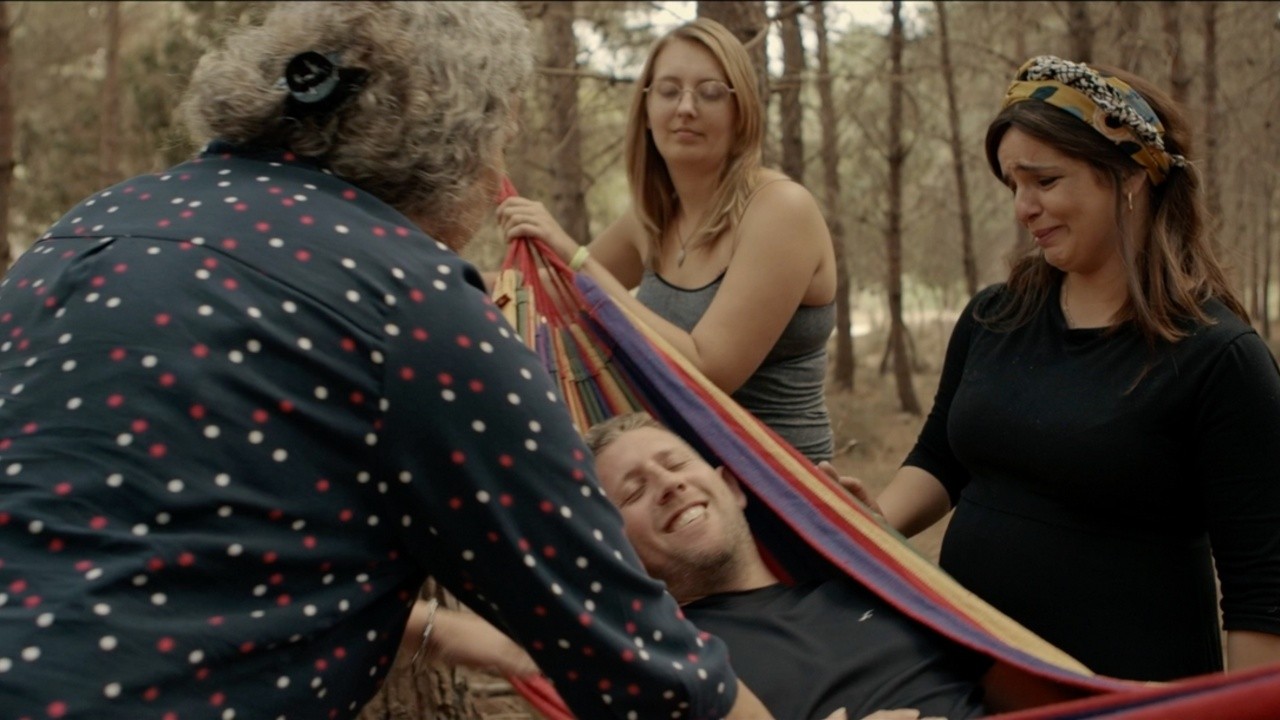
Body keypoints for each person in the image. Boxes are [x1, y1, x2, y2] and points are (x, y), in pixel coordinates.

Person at [0, 4, 778, 718]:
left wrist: (448, 632)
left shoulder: (83, 231)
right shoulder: (413, 303)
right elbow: (647, 672)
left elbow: (158, 544)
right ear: (457, 144)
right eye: (499, 143)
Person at [876, 55, 1280, 682]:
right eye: (1013, 185)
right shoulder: (994, 317)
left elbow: (1262, 589)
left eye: (1045, 180)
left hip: (1125, 695)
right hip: (967, 677)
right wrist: (857, 524)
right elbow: (940, 459)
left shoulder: (1218, 357)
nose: (1023, 207)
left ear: (1130, 176)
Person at [497, 18, 839, 463]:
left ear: (741, 113)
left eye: (710, 92)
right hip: (680, 478)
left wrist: (577, 257)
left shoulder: (780, 209)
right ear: (646, 110)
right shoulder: (654, 219)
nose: (686, 108)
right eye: (669, 90)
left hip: (779, 484)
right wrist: (441, 270)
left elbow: (709, 370)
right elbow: (543, 286)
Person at [583, 412, 996, 720]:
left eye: (675, 464)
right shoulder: (667, 664)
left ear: (730, 486)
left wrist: (889, 555)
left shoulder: (868, 586)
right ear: (616, 549)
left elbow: (1015, 680)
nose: (669, 484)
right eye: (633, 492)